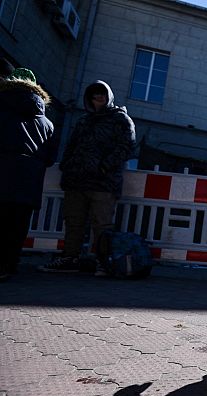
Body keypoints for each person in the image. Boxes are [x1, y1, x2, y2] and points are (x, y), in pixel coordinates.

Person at [39, 81, 135, 276]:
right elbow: (71, 145)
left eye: (102, 94)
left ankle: (103, 262)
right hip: (77, 181)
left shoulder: (120, 119)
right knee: (74, 222)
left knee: (102, 225)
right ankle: (70, 258)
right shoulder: (84, 120)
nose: (99, 97)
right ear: (89, 98)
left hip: (103, 183)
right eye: (94, 94)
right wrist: (67, 166)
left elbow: (126, 146)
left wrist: (104, 167)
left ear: (109, 96)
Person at [0, 67, 58, 281]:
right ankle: (10, 264)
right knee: (18, 224)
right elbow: (51, 157)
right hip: (29, 181)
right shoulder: (47, 123)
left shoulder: (3, 106)